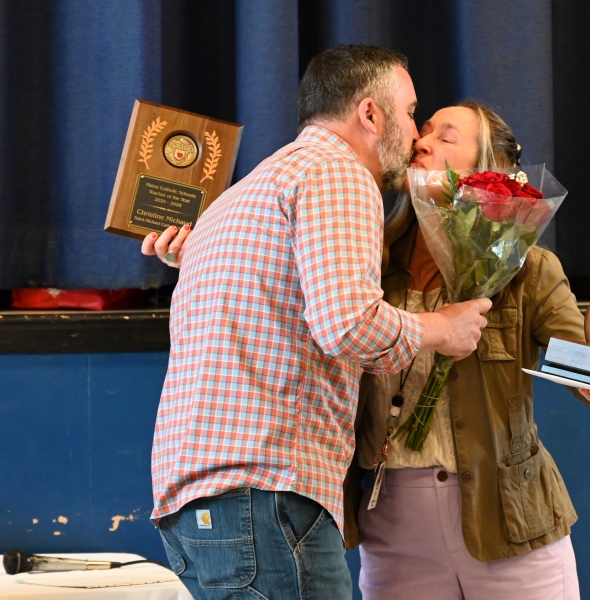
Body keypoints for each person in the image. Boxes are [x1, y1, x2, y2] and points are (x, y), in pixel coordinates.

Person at [145, 45, 492, 600]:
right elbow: (347, 325)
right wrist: (441, 329)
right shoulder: (339, 173)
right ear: (370, 114)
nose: (414, 132)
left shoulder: (245, 191)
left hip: (201, 504)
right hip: (266, 493)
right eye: (408, 113)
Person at [338, 101, 590, 600]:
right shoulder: (366, 261)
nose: (422, 142)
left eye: (446, 137)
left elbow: (574, 355)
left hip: (510, 519)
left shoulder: (529, 267)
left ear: (484, 171)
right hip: (391, 526)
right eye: (423, 131)